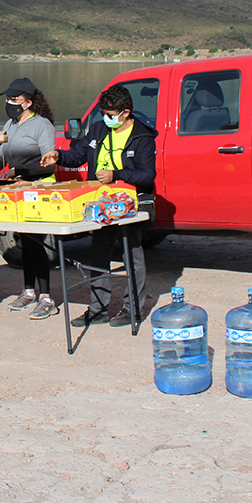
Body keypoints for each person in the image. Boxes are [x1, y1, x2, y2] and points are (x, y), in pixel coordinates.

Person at [42, 84, 157, 327]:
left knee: (131, 255)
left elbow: (147, 176)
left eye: (110, 114)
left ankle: (133, 310)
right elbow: (78, 155)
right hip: (100, 204)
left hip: (129, 206)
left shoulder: (143, 138)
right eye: (103, 112)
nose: (106, 118)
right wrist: (58, 156)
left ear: (125, 113)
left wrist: (116, 175)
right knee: (98, 254)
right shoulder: (98, 129)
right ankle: (97, 309)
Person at [0, 78, 59, 320]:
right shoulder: (9, 125)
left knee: (36, 244)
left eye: (14, 99)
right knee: (24, 242)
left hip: (38, 190)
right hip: (17, 191)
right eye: (8, 99)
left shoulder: (42, 125)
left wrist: (22, 172)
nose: (10, 103)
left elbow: (49, 164)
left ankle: (47, 298)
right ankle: (29, 291)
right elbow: (1, 159)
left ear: (29, 102)